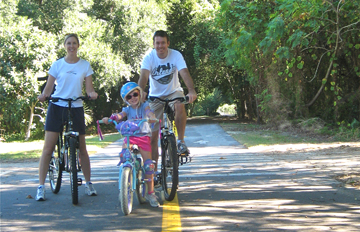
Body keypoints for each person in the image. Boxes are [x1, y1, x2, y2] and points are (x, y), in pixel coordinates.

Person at [36, 33, 98, 201]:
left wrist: (92, 94)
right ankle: (41, 187)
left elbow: (89, 88)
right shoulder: (57, 65)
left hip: (76, 107)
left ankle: (88, 183)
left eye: (74, 43)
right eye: (69, 43)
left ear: (78, 45)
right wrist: (43, 96)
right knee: (48, 148)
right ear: (65, 45)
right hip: (57, 106)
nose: (72, 46)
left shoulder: (85, 65)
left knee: (82, 148)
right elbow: (48, 89)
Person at [138, 30, 197, 172]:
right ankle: (154, 171)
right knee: (152, 137)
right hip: (155, 96)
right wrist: (140, 92)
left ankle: (180, 141)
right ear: (154, 44)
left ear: (168, 43)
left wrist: (191, 90)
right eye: (157, 43)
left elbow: (184, 73)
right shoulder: (149, 57)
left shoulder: (176, 55)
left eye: (163, 43)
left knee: (179, 105)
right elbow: (144, 77)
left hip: (173, 92)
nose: (160, 46)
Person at [101, 82, 160, 207]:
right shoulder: (127, 109)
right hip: (130, 137)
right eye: (129, 97)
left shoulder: (145, 105)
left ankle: (150, 192)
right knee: (125, 156)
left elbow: (149, 112)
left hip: (143, 137)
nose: (133, 98)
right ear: (126, 100)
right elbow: (120, 115)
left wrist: (152, 117)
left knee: (149, 166)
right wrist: (112, 118)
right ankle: (124, 186)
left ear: (139, 94)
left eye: (135, 94)